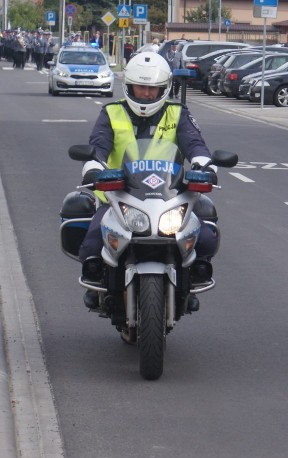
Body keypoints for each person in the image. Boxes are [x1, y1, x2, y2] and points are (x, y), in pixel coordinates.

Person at [79, 52, 217, 311]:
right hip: (119, 196)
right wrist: (93, 168)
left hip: (169, 196)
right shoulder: (112, 112)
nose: (146, 94)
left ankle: (190, 281)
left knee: (206, 237)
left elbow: (194, 143)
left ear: (164, 89)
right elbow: (98, 146)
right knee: (93, 241)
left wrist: (203, 164)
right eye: (141, 87)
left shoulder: (177, 113)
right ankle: (97, 286)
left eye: (153, 88)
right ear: (129, 86)